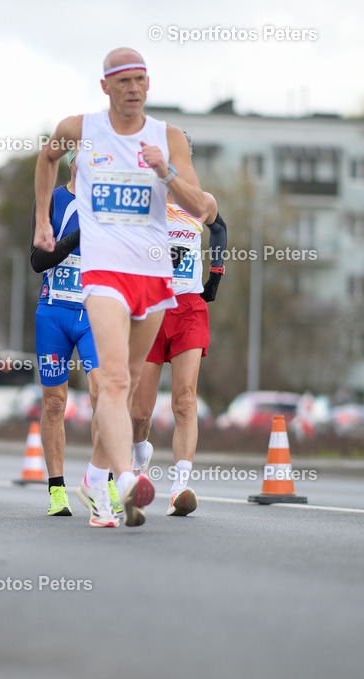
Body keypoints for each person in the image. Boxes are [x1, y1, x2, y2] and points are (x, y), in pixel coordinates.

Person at [34, 48, 213, 527]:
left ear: (148, 85)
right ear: (106, 86)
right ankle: (127, 479)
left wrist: (166, 172)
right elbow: (46, 158)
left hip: (153, 277)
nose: (134, 88)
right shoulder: (81, 128)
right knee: (112, 380)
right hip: (104, 272)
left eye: (141, 80)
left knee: (130, 388)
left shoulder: (168, 138)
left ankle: (94, 479)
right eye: (124, 81)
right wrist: (41, 222)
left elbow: (203, 208)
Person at [29, 152, 117, 523]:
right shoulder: (52, 201)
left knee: (104, 393)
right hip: (53, 313)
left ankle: (103, 480)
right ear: (74, 163)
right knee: (54, 403)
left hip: (93, 316)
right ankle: (56, 489)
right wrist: (79, 237)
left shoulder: (111, 205)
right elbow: (37, 261)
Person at [130, 191, 226, 516]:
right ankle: (139, 455)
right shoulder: (144, 198)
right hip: (151, 308)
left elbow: (220, 228)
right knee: (140, 412)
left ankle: (179, 487)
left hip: (189, 308)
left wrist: (216, 273)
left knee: (185, 400)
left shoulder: (201, 201)